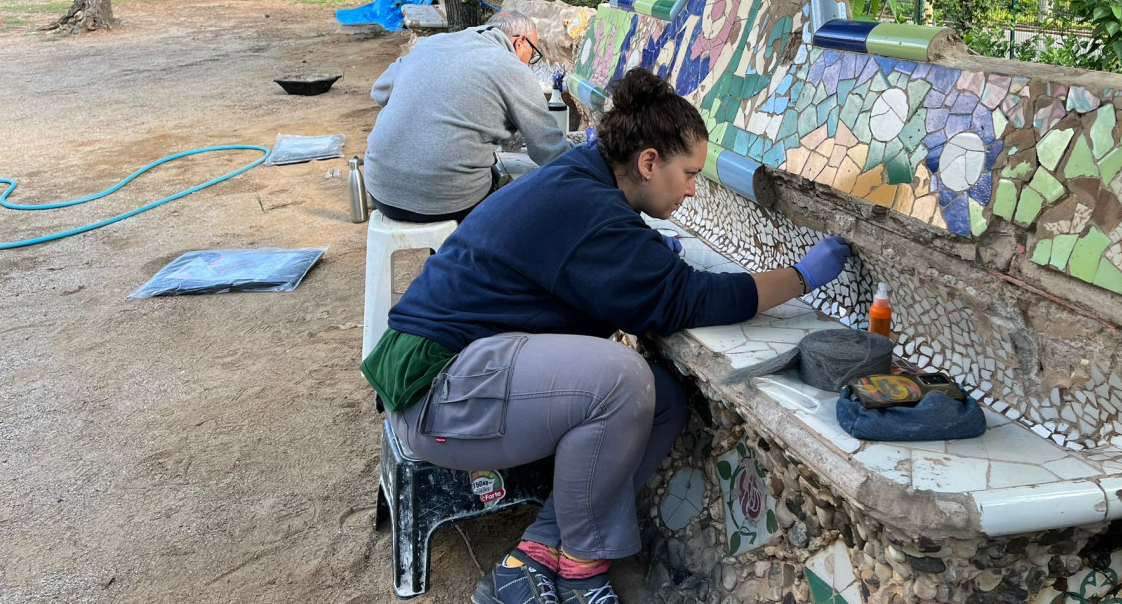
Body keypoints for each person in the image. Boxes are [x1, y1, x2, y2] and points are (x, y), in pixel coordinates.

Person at [360, 68, 851, 604]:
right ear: (647, 162)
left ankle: (537, 555)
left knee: (663, 401)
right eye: (688, 173)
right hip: (435, 391)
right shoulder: (591, 210)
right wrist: (801, 277)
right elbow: (684, 300)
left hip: (463, 373)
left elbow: (630, 264)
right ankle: (584, 569)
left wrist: (650, 255)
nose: (692, 188)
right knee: (621, 379)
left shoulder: (585, 178)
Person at [365, 9, 569, 224]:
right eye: (533, 54)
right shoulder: (512, 68)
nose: (529, 63)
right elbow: (547, 150)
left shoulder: (430, 44)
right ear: (521, 42)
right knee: (520, 200)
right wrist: (591, 163)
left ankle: (441, 252)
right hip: (448, 202)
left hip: (381, 191)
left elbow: (379, 91)